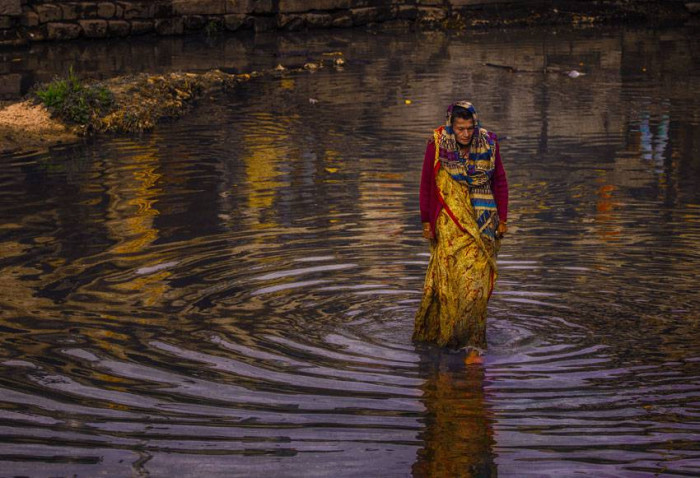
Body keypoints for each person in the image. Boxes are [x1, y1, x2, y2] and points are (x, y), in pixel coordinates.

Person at [413, 101, 508, 365]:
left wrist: (504, 218)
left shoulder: (488, 143)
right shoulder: (436, 144)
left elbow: (499, 180)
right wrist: (426, 222)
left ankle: (473, 344)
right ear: (451, 127)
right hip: (448, 226)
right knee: (450, 287)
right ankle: (448, 339)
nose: (466, 134)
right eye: (460, 129)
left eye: (469, 128)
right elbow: (426, 184)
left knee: (474, 289)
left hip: (482, 224)